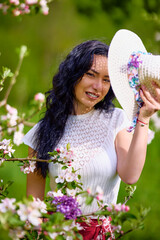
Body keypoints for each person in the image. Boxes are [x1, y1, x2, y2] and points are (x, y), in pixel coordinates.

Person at [23, 35, 160, 239]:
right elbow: (33, 204)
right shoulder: (42, 131)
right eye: (91, 75)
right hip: (57, 232)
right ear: (73, 75)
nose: (98, 86)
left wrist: (144, 119)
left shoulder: (116, 120)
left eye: (106, 80)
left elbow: (130, 176)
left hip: (99, 234)